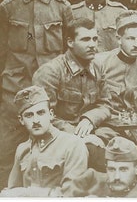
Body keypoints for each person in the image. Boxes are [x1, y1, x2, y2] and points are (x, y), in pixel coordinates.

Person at [0, 0, 73, 189]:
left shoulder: (62, 6)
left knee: (55, 149)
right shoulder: (8, 7)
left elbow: (69, 52)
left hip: (51, 90)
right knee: (7, 151)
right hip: (15, 90)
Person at [32, 17, 114, 171]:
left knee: (122, 147)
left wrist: (90, 119)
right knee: (93, 151)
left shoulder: (97, 67)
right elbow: (43, 118)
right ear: (70, 42)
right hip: (58, 136)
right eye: (85, 39)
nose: (92, 45)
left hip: (91, 129)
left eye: (95, 39)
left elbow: (106, 104)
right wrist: (77, 134)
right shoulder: (50, 72)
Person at [0, 86, 88, 197]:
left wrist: (28, 194)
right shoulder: (22, 149)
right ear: (21, 120)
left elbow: (72, 194)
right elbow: (12, 192)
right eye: (29, 115)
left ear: (51, 114)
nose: (36, 120)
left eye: (41, 113)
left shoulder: (73, 145)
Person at [96, 10, 137, 117]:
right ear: (119, 39)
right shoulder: (100, 63)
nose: (136, 44)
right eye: (130, 38)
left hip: (136, 126)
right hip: (108, 124)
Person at [69, 136, 137, 197]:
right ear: (106, 168)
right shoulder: (93, 180)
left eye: (123, 169)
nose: (117, 177)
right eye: (111, 169)